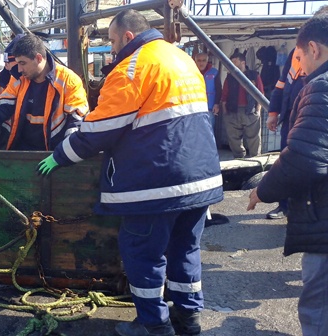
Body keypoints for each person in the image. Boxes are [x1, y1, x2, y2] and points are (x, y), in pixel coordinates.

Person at [37, 10, 223, 336]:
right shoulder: (180, 58)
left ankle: (154, 326)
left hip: (156, 184)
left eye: (110, 41)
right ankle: (188, 319)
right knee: (185, 249)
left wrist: (60, 156)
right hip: (201, 178)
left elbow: (100, 130)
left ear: (126, 37)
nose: (110, 49)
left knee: (142, 254)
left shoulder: (131, 68)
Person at [247, 14, 328, 336]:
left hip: (323, 216)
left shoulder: (320, 88)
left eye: (299, 58)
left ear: (313, 48)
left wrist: (263, 190)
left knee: (318, 304)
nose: (300, 67)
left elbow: (304, 159)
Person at [0, 33, 89, 151]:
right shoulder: (19, 80)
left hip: (52, 154)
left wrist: (65, 154)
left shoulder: (68, 80)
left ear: (38, 58)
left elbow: (76, 121)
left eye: (22, 63)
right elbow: (0, 108)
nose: (19, 69)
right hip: (19, 153)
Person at [264, 47, 306, 219]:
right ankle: (285, 205)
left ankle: (306, 209)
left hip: (313, 116)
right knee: (286, 162)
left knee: (310, 163)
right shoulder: (296, 51)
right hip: (290, 117)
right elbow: (281, 84)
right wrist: (273, 113)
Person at [220, 52, 265, 158]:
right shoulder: (229, 77)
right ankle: (239, 158)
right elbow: (224, 95)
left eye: (234, 61)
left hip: (250, 110)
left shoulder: (254, 75)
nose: (232, 64)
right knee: (233, 138)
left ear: (243, 62)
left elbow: (260, 94)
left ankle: (256, 159)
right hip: (232, 111)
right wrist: (225, 112)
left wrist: (258, 110)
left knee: (254, 138)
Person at [193, 52, 221, 130]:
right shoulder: (190, 72)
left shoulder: (214, 72)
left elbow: (219, 89)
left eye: (203, 60)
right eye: (199, 60)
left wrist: (216, 104)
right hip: (194, 108)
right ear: (195, 61)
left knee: (209, 131)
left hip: (209, 108)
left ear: (207, 61)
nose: (201, 63)